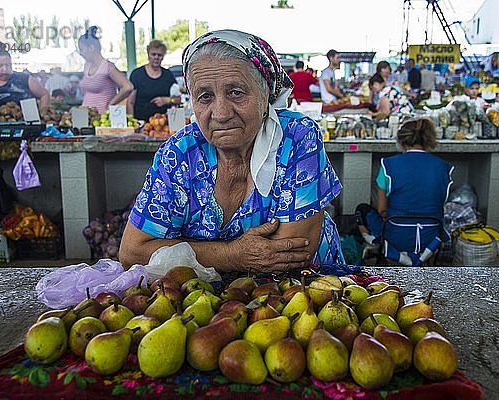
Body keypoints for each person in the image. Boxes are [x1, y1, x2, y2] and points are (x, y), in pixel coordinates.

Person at [119, 29, 345, 273]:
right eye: (205, 96)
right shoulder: (180, 153)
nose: (221, 113)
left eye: (236, 92)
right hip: (210, 305)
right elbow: (133, 252)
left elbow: (291, 255)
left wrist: (191, 253)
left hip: (308, 294)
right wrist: (232, 255)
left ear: (266, 94)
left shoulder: (296, 138)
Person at [355, 118, 453, 266]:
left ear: (401, 140)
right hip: (431, 236)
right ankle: (421, 258)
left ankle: (379, 247)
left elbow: (382, 210)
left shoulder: (388, 166)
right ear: (428, 138)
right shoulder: (444, 167)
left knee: (361, 210)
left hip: (396, 235)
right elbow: (439, 204)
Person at [0, 40, 49, 109]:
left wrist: (43, 111)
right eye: (0, 66)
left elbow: (44, 94)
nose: (5, 69)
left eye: (8, 65)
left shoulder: (24, 78)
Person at [78, 26, 133, 114]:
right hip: (84, 116)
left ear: (91, 48)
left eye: (81, 49)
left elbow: (128, 87)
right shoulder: (86, 66)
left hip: (102, 117)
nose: (80, 53)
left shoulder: (108, 67)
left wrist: (112, 104)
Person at [127, 39, 180, 121]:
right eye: (153, 54)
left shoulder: (168, 75)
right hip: (142, 122)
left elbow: (179, 99)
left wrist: (167, 100)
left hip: (164, 124)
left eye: (159, 55)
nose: (156, 57)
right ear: (148, 54)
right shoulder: (137, 74)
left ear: (163, 57)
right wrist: (133, 124)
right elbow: (130, 102)